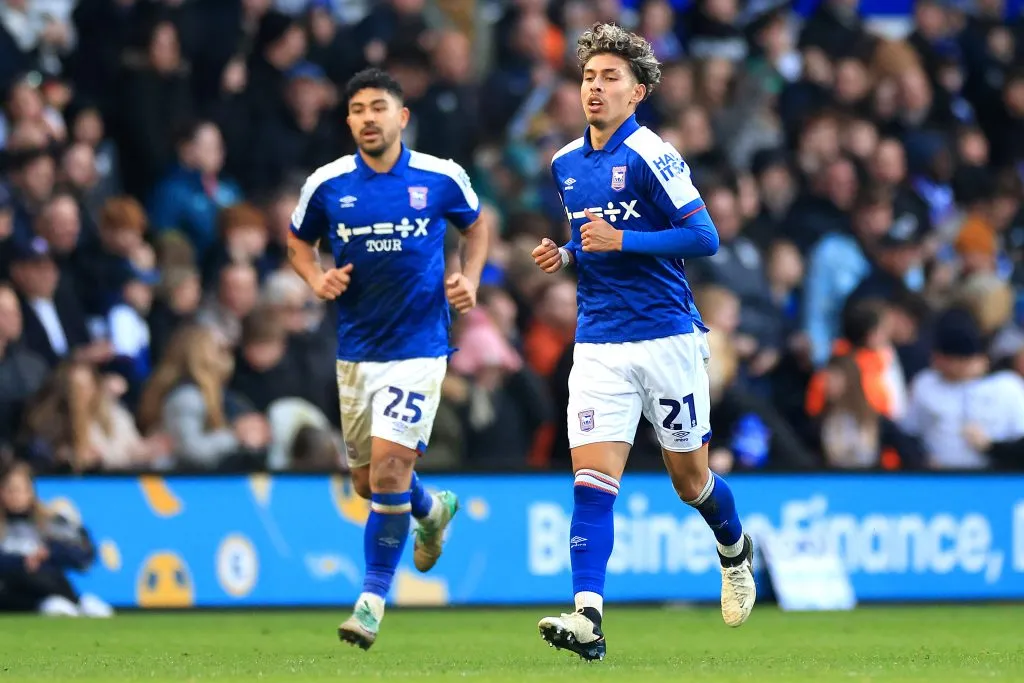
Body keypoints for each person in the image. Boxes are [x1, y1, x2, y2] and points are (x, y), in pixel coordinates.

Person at [530, 22, 755, 661]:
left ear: (637, 93)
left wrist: (621, 241)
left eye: (610, 79)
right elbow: (594, 237)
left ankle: (734, 552)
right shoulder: (565, 163)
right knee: (592, 481)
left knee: (690, 481)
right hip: (599, 342)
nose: (595, 88)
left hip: (667, 339)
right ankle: (587, 618)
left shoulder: (654, 155)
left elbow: (704, 237)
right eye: (588, 77)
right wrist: (567, 250)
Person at [287, 68, 488, 649]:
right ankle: (432, 511)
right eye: (356, 109)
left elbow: (478, 227)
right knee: (368, 485)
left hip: (419, 348)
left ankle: (371, 602)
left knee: (390, 472)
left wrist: (468, 280)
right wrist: (314, 277)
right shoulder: (326, 185)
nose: (367, 118)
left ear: (402, 117)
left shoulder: (440, 176)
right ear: (348, 120)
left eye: (378, 107)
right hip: (357, 351)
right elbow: (299, 242)